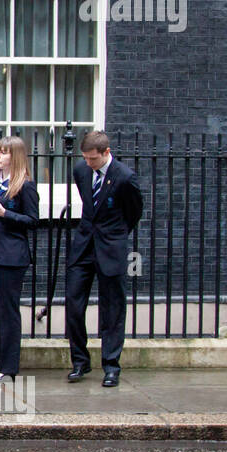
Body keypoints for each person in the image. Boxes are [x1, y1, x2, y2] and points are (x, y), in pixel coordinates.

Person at [65, 130, 144, 387]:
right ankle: (80, 361)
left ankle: (111, 366)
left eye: (93, 159)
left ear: (106, 153)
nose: (89, 163)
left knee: (112, 310)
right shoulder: (81, 171)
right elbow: (89, 205)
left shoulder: (125, 177)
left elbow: (133, 212)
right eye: (85, 158)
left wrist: (116, 235)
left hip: (111, 248)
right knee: (73, 304)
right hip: (84, 245)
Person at [0, 135, 39, 382]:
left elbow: (33, 221)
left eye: (4, 153)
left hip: (12, 256)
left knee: (7, 310)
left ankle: (8, 366)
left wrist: (6, 213)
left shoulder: (25, 185)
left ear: (16, 156)